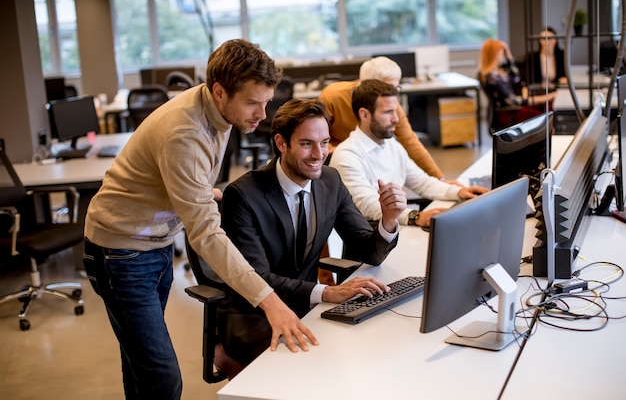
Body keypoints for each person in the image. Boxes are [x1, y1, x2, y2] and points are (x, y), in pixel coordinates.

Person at [82, 39, 317, 400]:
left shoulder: (218, 110)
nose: (262, 114)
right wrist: (271, 303)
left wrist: (201, 193)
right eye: (253, 103)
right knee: (161, 378)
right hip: (121, 253)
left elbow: (182, 172)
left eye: (266, 102)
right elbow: (206, 234)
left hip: (154, 242)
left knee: (141, 369)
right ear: (220, 91)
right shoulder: (185, 132)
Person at [217, 98, 405, 367]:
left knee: (375, 352)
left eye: (325, 142)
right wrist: (327, 293)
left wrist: (388, 220)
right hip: (256, 315)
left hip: (308, 307)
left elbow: (368, 251)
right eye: (307, 144)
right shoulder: (244, 195)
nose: (319, 154)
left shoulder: (330, 181)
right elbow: (257, 277)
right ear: (281, 143)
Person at [329, 79, 488, 228]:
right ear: (364, 115)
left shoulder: (391, 144)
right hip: (371, 238)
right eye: (388, 112)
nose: (396, 119)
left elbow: (421, 182)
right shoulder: (347, 155)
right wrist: (414, 217)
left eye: (396, 111)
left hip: (395, 227)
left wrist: (458, 192)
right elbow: (368, 205)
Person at [319, 56, 448, 181]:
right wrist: (331, 149)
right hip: (336, 157)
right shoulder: (333, 96)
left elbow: (410, 142)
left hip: (369, 155)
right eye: (388, 88)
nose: (392, 95)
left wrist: (439, 179)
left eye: (396, 88)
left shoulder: (390, 103)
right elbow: (316, 134)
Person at [478, 38, 556, 131]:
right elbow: (513, 101)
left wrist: (509, 57)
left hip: (513, 107)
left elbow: (516, 79)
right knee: (543, 118)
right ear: (494, 54)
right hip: (508, 111)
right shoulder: (491, 77)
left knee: (547, 106)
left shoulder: (500, 71)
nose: (503, 55)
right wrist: (541, 99)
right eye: (501, 52)